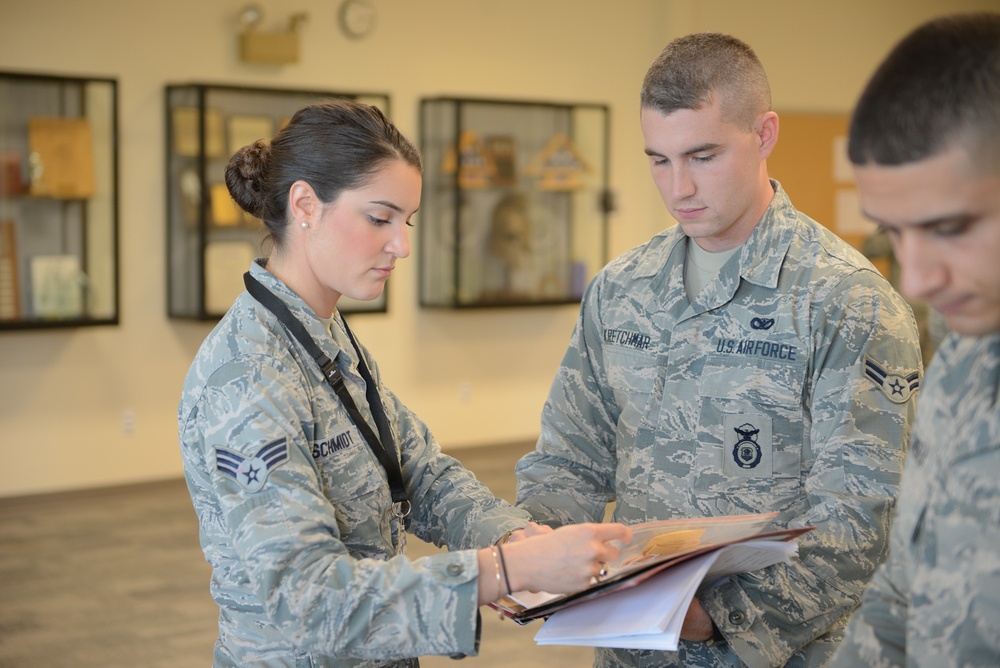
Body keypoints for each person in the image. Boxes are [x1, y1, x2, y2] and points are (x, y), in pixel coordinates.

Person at [514, 33, 922, 667]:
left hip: (779, 653)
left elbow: (862, 519)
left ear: (763, 135)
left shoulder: (846, 301)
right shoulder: (621, 289)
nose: (679, 188)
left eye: (702, 156)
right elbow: (571, 457)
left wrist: (717, 618)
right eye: (658, 159)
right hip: (633, 649)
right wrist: (531, 553)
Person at [177, 99, 631, 668]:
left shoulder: (326, 331)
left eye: (407, 222)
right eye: (379, 218)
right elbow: (312, 599)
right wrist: (508, 572)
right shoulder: (247, 374)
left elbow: (418, 470)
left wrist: (514, 537)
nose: (402, 246)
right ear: (305, 205)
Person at [831, 13, 1000, 667]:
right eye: (894, 232)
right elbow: (903, 592)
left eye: (950, 227)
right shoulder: (962, 354)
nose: (921, 279)